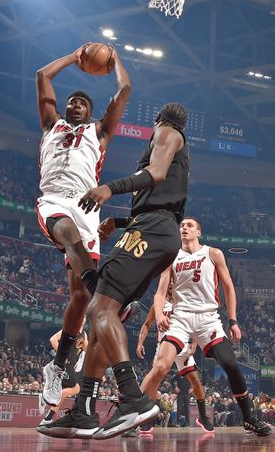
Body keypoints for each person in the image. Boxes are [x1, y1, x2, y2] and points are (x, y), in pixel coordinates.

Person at [39, 102, 190, 439]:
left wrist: (110, 188)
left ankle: (132, 397)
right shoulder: (175, 141)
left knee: (100, 308)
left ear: (158, 120)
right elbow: (163, 197)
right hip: (153, 229)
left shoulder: (167, 133)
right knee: (100, 322)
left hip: (151, 230)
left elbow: (158, 174)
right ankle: (84, 412)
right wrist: (121, 221)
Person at [35, 44, 132, 410]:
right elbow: (42, 76)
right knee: (70, 241)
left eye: (81, 102)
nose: (74, 104)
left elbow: (124, 91)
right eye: (71, 101)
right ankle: (106, 288)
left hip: (87, 204)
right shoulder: (51, 125)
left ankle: (57, 367)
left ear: (90, 112)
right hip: (55, 200)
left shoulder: (100, 133)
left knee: (79, 297)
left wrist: (115, 58)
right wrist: (75, 57)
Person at [140, 217, 270, 436]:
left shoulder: (213, 253)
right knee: (161, 367)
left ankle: (248, 418)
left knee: (230, 364)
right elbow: (160, 292)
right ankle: (135, 413)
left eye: (189, 225)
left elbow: (229, 287)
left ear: (199, 232)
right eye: (182, 225)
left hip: (208, 318)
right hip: (180, 317)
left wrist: (233, 321)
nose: (184, 228)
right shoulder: (171, 258)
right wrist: (160, 313)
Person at [135, 281, 213, 433]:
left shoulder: (185, 303)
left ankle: (203, 416)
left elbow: (196, 324)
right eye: (169, 285)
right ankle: (147, 419)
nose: (171, 287)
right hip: (164, 346)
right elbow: (146, 324)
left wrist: (195, 343)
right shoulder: (159, 304)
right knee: (154, 381)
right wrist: (140, 343)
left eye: (173, 285)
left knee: (196, 382)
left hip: (183, 347)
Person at [37, 329, 86, 429]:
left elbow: (88, 350)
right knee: (76, 389)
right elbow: (53, 339)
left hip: (71, 365)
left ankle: (47, 419)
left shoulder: (84, 334)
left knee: (63, 393)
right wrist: (63, 355)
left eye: (84, 317)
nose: (83, 318)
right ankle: (45, 397)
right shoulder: (71, 328)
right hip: (64, 364)